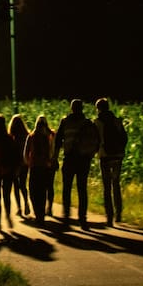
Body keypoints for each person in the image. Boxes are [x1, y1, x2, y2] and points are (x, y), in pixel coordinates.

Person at [55, 98, 100, 228]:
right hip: (84, 160)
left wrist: (54, 158)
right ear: (82, 109)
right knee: (82, 189)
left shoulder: (65, 122)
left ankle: (66, 217)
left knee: (67, 188)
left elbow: (58, 142)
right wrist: (90, 154)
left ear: (71, 108)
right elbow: (97, 141)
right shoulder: (88, 123)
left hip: (69, 159)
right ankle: (82, 218)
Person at [94, 98, 129, 226]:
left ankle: (109, 216)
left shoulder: (97, 122)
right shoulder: (117, 121)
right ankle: (119, 213)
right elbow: (125, 138)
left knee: (107, 187)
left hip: (105, 157)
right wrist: (120, 151)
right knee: (116, 184)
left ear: (98, 108)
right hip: (118, 157)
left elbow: (95, 141)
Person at [23, 115, 57, 225]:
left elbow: (25, 153)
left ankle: (37, 213)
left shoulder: (31, 136)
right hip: (46, 167)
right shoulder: (50, 135)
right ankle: (41, 214)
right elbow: (54, 149)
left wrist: (29, 163)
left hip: (34, 167)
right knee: (43, 191)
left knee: (33, 190)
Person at [8, 114, 32, 217]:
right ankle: (26, 202)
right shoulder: (26, 135)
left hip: (14, 164)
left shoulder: (11, 137)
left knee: (16, 186)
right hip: (24, 163)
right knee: (23, 185)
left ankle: (19, 208)